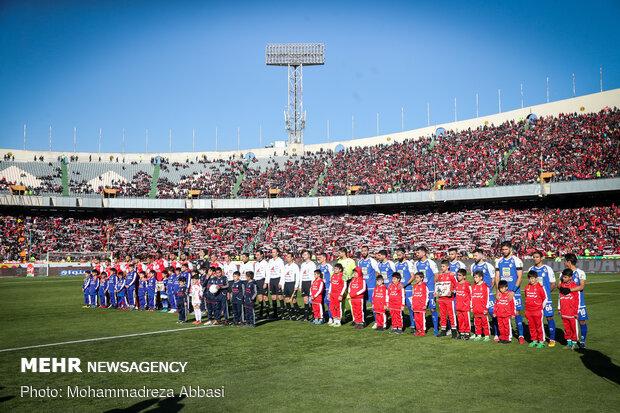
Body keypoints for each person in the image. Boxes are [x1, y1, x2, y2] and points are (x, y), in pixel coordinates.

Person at [495, 241, 525, 344]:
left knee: (516, 313)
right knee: (502, 314)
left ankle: (520, 335)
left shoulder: (517, 260)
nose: (504, 251)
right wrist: (498, 290)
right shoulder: (499, 261)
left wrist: (513, 291)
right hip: (502, 292)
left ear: (510, 249)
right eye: (502, 249)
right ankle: (505, 335)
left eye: (506, 249)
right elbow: (497, 277)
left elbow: (520, 277)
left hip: (514, 292)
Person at [528, 250, 557, 347]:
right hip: (535, 301)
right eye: (534, 257)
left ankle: (552, 339)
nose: (535, 259)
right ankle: (537, 339)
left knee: (549, 317)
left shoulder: (547, 269)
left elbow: (553, 284)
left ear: (542, 258)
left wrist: (546, 294)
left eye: (537, 257)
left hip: (546, 300)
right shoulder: (531, 269)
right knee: (535, 319)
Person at [564, 253, 588, 349]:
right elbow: (560, 285)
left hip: (579, 303)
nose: (564, 263)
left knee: (582, 321)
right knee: (569, 322)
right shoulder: (564, 272)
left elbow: (582, 286)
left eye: (565, 261)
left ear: (569, 262)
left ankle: (582, 341)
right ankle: (570, 341)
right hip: (568, 303)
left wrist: (569, 290)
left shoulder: (580, 272)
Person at [471, 248, 497, 338]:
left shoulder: (488, 266)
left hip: (488, 294)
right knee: (478, 313)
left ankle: (496, 333)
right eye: (473, 255)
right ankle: (479, 332)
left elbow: (493, 280)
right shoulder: (473, 266)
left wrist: (488, 290)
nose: (474, 257)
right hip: (478, 296)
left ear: (482, 255)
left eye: (476, 255)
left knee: (492, 312)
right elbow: (475, 280)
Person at [413, 246, 439, 336]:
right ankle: (420, 328)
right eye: (416, 253)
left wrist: (434, 288)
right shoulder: (416, 264)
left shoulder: (431, 263)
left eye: (418, 252)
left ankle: (436, 328)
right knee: (419, 310)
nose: (417, 254)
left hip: (430, 290)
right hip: (420, 291)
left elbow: (436, 275)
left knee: (432, 309)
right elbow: (416, 276)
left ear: (424, 253)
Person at [395, 247, 416, 333]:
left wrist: (404, 284)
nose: (398, 256)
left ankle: (413, 325)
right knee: (399, 308)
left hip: (407, 289)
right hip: (399, 290)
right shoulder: (396, 264)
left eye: (400, 254)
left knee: (411, 307)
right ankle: (400, 325)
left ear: (404, 254)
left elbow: (413, 276)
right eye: (397, 255)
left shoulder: (408, 263)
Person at [524, 270, 547, 348]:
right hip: (529, 311)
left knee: (539, 326)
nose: (531, 280)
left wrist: (541, 308)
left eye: (533, 278)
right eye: (530, 278)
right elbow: (526, 297)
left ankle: (541, 341)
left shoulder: (540, 287)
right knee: (531, 326)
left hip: (537, 310)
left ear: (536, 278)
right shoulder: (527, 287)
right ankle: (534, 340)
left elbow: (545, 298)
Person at [358, 245, 380, 325]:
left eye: (365, 250)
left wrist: (377, 284)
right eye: (362, 251)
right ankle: (362, 320)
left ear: (368, 251)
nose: (363, 252)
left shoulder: (372, 261)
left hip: (371, 286)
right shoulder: (359, 262)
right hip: (362, 287)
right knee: (362, 304)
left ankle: (377, 321)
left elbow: (377, 272)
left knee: (374, 304)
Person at [558, 268, 580, 350]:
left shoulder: (574, 286)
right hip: (564, 311)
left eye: (565, 277)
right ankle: (568, 342)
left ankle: (574, 342)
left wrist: (576, 312)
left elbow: (577, 300)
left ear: (570, 277)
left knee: (573, 327)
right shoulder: (562, 286)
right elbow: (559, 297)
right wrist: (559, 308)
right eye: (563, 277)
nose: (564, 278)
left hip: (572, 312)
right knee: (566, 328)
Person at [435, 260, 458, 338]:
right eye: (441, 266)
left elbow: (456, 286)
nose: (442, 268)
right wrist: (436, 293)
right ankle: (443, 330)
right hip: (441, 298)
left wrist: (451, 292)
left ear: (448, 266)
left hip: (449, 299)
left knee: (451, 315)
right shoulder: (440, 276)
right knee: (442, 315)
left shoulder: (451, 275)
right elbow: (438, 286)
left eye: (443, 266)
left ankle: (454, 331)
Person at [471, 271, 492, 341]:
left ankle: (486, 336)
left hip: (483, 309)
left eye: (476, 277)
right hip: (475, 308)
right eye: (474, 277)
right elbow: (472, 297)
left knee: (485, 323)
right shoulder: (473, 286)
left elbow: (487, 298)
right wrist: (471, 306)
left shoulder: (485, 287)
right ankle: (478, 334)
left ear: (481, 278)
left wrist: (486, 308)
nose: (475, 279)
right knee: (477, 323)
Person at [494, 280, 516, 344]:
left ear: (506, 287)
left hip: (506, 315)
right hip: (499, 315)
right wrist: (495, 312)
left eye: (502, 288)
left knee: (506, 327)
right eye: (500, 288)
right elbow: (496, 304)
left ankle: (508, 338)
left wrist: (513, 314)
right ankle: (502, 338)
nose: (501, 289)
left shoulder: (509, 295)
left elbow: (513, 305)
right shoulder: (499, 295)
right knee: (501, 327)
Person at [266, 248, 285, 319]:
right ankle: (275, 313)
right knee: (273, 297)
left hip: (278, 279)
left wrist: (281, 282)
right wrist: (267, 282)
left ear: (277, 253)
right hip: (272, 280)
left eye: (274, 252)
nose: (272, 253)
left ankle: (283, 314)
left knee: (280, 297)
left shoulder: (280, 261)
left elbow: (283, 272)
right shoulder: (270, 261)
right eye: (272, 252)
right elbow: (268, 272)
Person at [281, 252, 301, 320]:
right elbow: (283, 276)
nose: (287, 258)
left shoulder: (295, 266)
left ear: (292, 258)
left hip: (292, 284)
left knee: (293, 300)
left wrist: (296, 285)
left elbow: (298, 276)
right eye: (286, 257)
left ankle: (297, 314)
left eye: (288, 257)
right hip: (286, 284)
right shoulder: (285, 266)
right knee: (286, 300)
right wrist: (282, 285)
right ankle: (290, 315)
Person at [454, 268, 472, 340]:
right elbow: (455, 292)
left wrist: (470, 304)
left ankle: (467, 333)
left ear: (464, 276)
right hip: (458, 306)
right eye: (457, 275)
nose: (458, 277)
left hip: (465, 306)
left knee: (466, 320)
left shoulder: (467, 284)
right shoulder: (457, 284)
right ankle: (461, 332)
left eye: (460, 275)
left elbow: (471, 294)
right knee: (460, 320)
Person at [299, 250, 317, 321]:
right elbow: (301, 275)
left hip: (310, 282)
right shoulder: (303, 264)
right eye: (303, 254)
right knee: (305, 300)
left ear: (309, 255)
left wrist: (313, 285)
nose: (304, 255)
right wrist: (300, 285)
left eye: (305, 254)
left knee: (311, 300)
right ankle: (306, 317)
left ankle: (314, 315)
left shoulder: (312, 264)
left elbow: (314, 276)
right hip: (304, 283)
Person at [411, 272, 428, 336]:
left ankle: (423, 331)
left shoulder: (424, 286)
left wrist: (425, 304)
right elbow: (413, 296)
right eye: (415, 277)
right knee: (416, 319)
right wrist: (412, 304)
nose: (416, 279)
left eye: (417, 277)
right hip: (415, 306)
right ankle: (418, 330)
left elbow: (427, 296)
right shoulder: (414, 286)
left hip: (421, 306)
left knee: (422, 319)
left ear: (422, 278)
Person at [317, 253, 333, 323]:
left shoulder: (328, 266)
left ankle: (330, 317)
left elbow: (332, 276)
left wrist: (330, 287)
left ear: (324, 258)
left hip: (327, 287)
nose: (319, 259)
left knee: (328, 303)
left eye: (320, 257)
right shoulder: (318, 267)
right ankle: (323, 317)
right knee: (321, 302)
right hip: (321, 288)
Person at [253, 250, 268, 319]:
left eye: (258, 255)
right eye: (256, 255)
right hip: (257, 281)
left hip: (263, 281)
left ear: (262, 255)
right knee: (259, 298)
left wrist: (266, 282)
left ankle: (267, 314)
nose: (256, 256)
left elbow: (267, 274)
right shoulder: (256, 264)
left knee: (265, 297)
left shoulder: (265, 263)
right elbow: (255, 273)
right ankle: (261, 313)